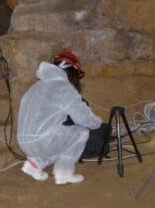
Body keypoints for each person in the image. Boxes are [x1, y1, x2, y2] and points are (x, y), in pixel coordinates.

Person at [17, 50, 102, 185]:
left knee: (59, 141)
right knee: (80, 133)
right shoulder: (63, 87)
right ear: (73, 72)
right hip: (41, 141)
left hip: (24, 142)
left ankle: (34, 165)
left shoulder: (36, 87)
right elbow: (83, 118)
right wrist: (98, 123)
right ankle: (64, 174)